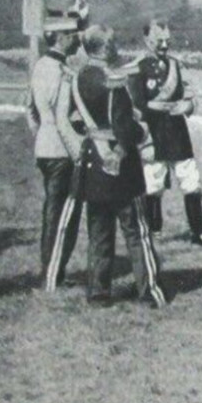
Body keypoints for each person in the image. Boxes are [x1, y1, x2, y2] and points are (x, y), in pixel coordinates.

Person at [70, 26, 166, 306]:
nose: (116, 47)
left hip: (93, 165)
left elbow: (76, 121)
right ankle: (149, 292)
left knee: (99, 233)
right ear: (106, 47)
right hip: (120, 167)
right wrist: (142, 131)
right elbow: (124, 127)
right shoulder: (114, 80)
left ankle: (98, 293)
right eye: (113, 42)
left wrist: (98, 132)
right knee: (137, 232)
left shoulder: (78, 79)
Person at [130, 17, 202, 245]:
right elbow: (137, 107)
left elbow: (190, 96)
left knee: (191, 181)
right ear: (147, 40)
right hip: (154, 133)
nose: (165, 45)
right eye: (159, 41)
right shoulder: (138, 68)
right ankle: (152, 232)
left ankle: (198, 232)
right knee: (153, 183)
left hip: (178, 134)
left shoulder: (176, 65)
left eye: (167, 40)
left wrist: (188, 106)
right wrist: (144, 141)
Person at [28, 9, 85, 289]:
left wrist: (41, 136)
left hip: (45, 147)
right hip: (63, 150)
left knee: (52, 209)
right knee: (64, 214)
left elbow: (31, 110)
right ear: (61, 38)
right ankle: (53, 272)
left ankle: (50, 268)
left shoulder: (39, 66)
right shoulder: (63, 72)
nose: (77, 39)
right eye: (73, 35)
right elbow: (64, 116)